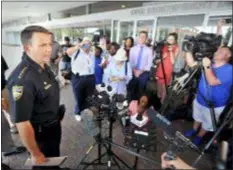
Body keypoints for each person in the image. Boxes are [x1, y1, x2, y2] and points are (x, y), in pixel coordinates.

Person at [7, 26, 63, 165]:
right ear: (27, 48)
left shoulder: (42, 64)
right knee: (43, 164)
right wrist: (35, 153)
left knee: (53, 159)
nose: (49, 49)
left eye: (50, 44)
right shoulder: (23, 80)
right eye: (43, 45)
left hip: (52, 126)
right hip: (39, 134)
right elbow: (22, 122)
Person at [185, 46, 232, 146]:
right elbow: (192, 64)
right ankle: (194, 129)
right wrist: (188, 50)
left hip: (214, 105)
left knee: (208, 123)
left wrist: (207, 66)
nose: (217, 52)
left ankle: (200, 135)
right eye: (218, 50)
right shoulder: (210, 62)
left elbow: (212, 81)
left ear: (228, 55)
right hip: (200, 99)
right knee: (197, 117)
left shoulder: (229, 70)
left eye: (221, 51)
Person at [66, 37, 95, 122]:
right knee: (78, 97)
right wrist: (77, 46)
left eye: (88, 43)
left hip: (90, 77)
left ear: (90, 45)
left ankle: (85, 109)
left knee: (89, 96)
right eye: (84, 43)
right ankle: (77, 112)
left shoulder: (91, 54)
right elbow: (68, 51)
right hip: (78, 78)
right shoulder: (76, 52)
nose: (86, 45)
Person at [155, 32, 179, 104]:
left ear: (175, 40)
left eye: (172, 39)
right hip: (160, 69)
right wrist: (162, 58)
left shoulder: (176, 48)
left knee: (164, 88)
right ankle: (158, 100)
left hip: (167, 70)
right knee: (159, 86)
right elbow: (157, 61)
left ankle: (162, 103)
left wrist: (171, 52)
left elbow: (172, 62)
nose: (169, 41)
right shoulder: (164, 47)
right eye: (168, 39)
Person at [129, 31, 153, 100]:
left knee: (141, 91)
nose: (142, 38)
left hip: (144, 73)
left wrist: (140, 71)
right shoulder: (133, 49)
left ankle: (138, 106)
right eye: (141, 36)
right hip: (133, 72)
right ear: (138, 38)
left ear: (146, 38)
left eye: (144, 37)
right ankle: (130, 105)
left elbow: (149, 64)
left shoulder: (149, 50)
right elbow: (131, 61)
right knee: (132, 90)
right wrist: (134, 70)